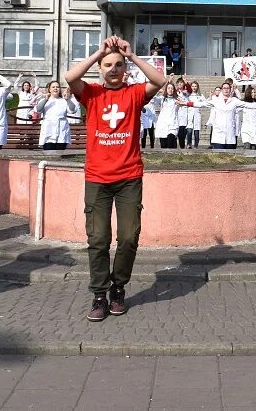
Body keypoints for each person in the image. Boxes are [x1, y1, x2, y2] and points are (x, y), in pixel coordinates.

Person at [66, 36, 166, 322]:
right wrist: (98, 51)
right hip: (97, 178)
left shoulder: (134, 93)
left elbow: (160, 81)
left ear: (125, 69)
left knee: (128, 237)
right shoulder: (92, 94)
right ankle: (99, 294)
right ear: (100, 68)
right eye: (108, 65)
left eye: (118, 65)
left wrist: (132, 55)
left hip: (128, 177)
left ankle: (118, 288)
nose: (113, 69)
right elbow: (69, 77)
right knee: (98, 238)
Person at [35, 80, 77, 150]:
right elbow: (37, 110)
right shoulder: (45, 100)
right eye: (53, 87)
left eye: (57, 87)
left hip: (61, 131)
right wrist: (45, 100)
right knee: (49, 152)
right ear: (49, 89)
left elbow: (72, 110)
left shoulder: (64, 100)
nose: (55, 88)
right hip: (49, 130)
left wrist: (68, 100)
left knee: (60, 153)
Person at [153, 82, 182, 149]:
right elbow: (154, 98)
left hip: (172, 124)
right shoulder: (162, 99)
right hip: (163, 125)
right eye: (168, 88)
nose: (170, 90)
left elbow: (182, 102)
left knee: (170, 141)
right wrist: (158, 91)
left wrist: (180, 98)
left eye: (172, 88)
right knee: (163, 145)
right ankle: (165, 159)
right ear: (166, 89)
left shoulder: (176, 99)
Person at [185, 80, 205, 149]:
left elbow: (205, 103)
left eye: (195, 86)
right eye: (192, 86)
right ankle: (189, 144)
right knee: (189, 130)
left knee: (196, 132)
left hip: (197, 114)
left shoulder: (200, 95)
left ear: (197, 87)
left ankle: (196, 145)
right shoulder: (188, 95)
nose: (194, 87)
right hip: (190, 114)